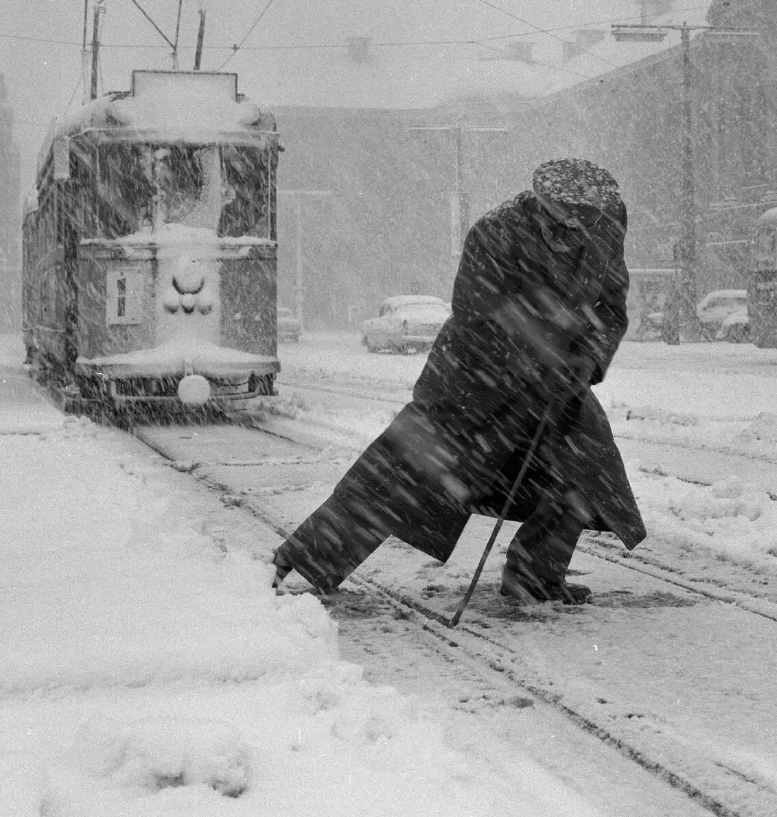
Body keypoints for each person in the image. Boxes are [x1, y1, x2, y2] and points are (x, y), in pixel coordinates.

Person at [273, 159, 646, 604]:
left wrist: (586, 360)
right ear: (543, 206)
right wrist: (539, 361)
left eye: (583, 224)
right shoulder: (497, 232)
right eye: (561, 223)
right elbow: (479, 311)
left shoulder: (605, 228)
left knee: (586, 469)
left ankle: (535, 576)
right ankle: (302, 558)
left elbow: (609, 309)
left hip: (559, 383)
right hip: (474, 378)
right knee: (402, 471)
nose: (572, 234)